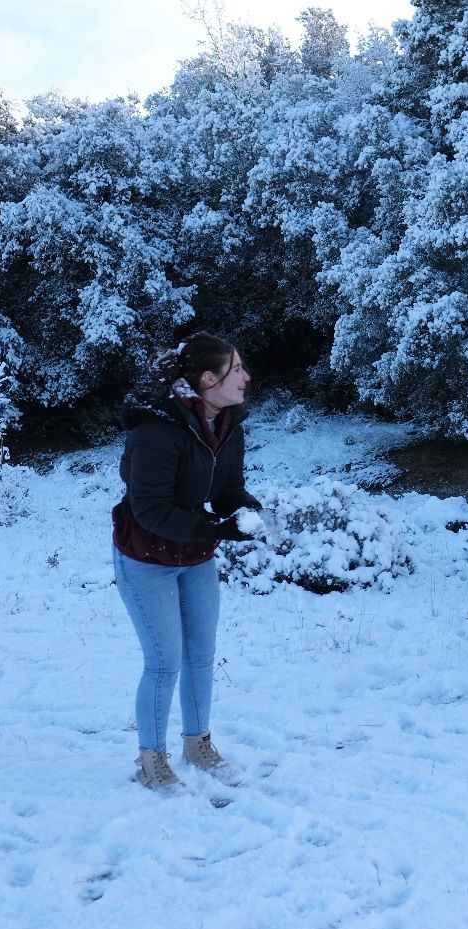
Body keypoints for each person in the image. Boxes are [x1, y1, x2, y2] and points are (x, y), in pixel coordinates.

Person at [112, 331, 260, 790]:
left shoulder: (228, 423)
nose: (245, 377)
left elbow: (228, 488)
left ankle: (197, 744)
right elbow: (150, 508)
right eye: (236, 370)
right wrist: (215, 530)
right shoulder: (157, 432)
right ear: (207, 377)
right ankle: (150, 760)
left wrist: (251, 513)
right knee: (163, 661)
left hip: (194, 554)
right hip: (145, 555)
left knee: (201, 655)